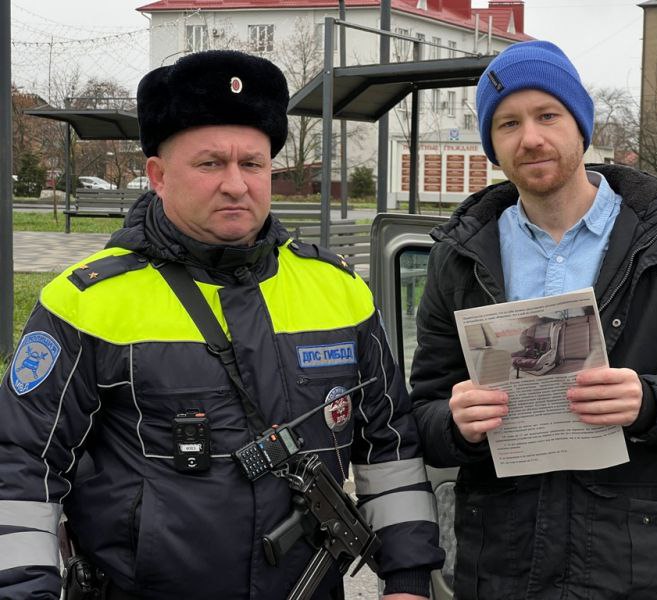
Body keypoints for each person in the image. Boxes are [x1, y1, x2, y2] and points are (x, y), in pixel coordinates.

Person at [0, 50, 443, 600]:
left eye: (252, 164)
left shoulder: (340, 292)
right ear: (158, 176)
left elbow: (390, 449)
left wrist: (408, 579)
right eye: (210, 164)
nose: (236, 184)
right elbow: (20, 466)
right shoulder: (86, 301)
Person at [410, 40, 657, 599]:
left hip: (637, 568)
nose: (530, 138)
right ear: (492, 146)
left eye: (547, 115)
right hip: (503, 569)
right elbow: (423, 412)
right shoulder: (460, 254)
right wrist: (455, 422)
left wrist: (649, 403)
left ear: (581, 124)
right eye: (507, 124)